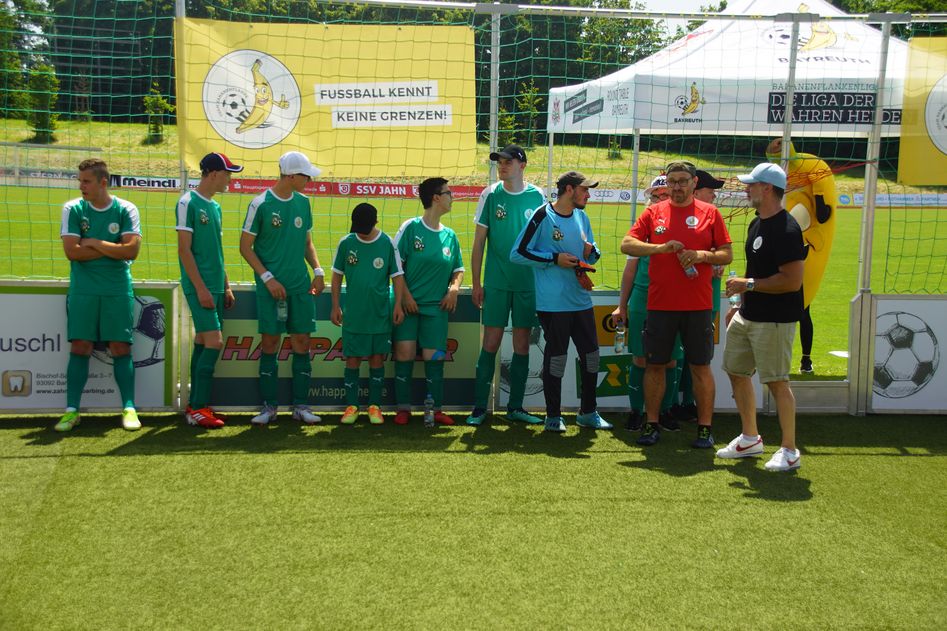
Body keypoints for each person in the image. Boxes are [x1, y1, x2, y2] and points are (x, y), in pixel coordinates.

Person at [621, 161, 733, 449]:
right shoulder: (653, 213)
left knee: (700, 367)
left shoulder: (710, 213)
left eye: (683, 181)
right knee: (655, 366)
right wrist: (659, 248)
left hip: (698, 306)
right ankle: (652, 423)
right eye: (672, 181)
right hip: (660, 305)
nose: (677, 187)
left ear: (694, 183)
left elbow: (726, 253)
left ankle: (705, 429)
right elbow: (627, 244)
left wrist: (702, 255)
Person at [717, 162, 805, 471]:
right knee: (736, 372)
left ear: (767, 188)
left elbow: (792, 281)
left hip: (776, 320)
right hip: (748, 314)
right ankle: (750, 438)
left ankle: (789, 450)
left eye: (751, 184)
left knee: (777, 382)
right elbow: (754, 272)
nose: (746, 189)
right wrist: (739, 303)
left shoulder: (788, 230)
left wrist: (749, 285)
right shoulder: (756, 223)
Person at [511, 171, 612, 432]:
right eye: (585, 190)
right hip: (553, 304)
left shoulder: (581, 216)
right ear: (569, 189)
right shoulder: (542, 216)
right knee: (557, 358)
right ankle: (553, 416)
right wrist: (553, 259)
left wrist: (592, 252)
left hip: (581, 300)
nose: (588, 195)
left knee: (591, 357)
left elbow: (591, 254)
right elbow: (517, 253)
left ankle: (588, 412)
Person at [56, 158, 143, 432]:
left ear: (103, 182)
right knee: (80, 346)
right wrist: (112, 248)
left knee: (120, 347)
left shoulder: (126, 209)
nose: (81, 186)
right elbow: (72, 252)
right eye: (80, 181)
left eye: (86, 181)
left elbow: (131, 251)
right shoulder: (72, 208)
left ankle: (129, 408)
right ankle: (71, 411)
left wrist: (93, 242)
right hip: (84, 288)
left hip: (116, 287)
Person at [239, 151, 325, 426]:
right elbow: (245, 247)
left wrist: (318, 270)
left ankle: (301, 406)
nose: (310, 180)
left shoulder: (303, 202)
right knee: (270, 343)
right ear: (291, 176)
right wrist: (268, 278)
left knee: (302, 342)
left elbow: (307, 242)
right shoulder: (260, 204)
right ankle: (269, 408)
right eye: (306, 176)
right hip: (271, 289)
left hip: (300, 286)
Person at [466, 144, 546, 426]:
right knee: (490, 342)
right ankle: (479, 408)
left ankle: (515, 408)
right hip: (497, 282)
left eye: (507, 162)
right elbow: (479, 243)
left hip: (527, 283)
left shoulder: (537, 196)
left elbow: (543, 242)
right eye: (499, 162)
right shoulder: (490, 194)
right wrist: (477, 283)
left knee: (522, 343)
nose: (502, 166)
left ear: (522, 165)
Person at [611, 175, 683, 432]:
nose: (660, 199)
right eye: (655, 195)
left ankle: (665, 410)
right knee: (641, 359)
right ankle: (636, 411)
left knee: (671, 361)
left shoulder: (684, 223)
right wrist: (622, 305)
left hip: (675, 301)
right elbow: (630, 269)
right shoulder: (642, 226)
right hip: (643, 300)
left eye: (665, 194)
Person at [177, 152, 242, 429]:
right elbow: (184, 250)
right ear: (213, 174)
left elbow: (217, 251)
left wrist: (225, 285)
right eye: (228, 174)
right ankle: (198, 407)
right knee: (215, 342)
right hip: (200, 286)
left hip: (215, 286)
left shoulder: (215, 207)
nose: (230, 180)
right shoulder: (187, 202)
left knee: (204, 341)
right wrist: (201, 288)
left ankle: (195, 406)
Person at [392, 178, 464, 425]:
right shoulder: (410, 228)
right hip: (407, 306)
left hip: (436, 308)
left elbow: (458, 269)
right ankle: (403, 409)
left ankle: (436, 409)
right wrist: (406, 297)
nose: (452, 197)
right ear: (436, 197)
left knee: (435, 358)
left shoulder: (450, 236)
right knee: (404, 354)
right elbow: (396, 266)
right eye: (449, 193)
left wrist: (454, 289)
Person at [330, 203, 406, 425]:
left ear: (375, 223)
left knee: (376, 358)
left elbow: (397, 276)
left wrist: (398, 305)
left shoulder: (387, 243)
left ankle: (375, 407)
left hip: (379, 314)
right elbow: (336, 276)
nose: (361, 232)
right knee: (352, 359)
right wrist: (335, 305)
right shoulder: (346, 243)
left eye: (365, 227)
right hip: (354, 315)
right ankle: (352, 406)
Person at [670, 168, 727, 423]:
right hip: (679, 300)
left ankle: (689, 402)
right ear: (695, 188)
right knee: (675, 353)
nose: (714, 195)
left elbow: (724, 253)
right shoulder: (677, 217)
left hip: (706, 298)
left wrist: (713, 259)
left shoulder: (712, 218)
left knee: (697, 355)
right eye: (710, 190)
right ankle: (672, 402)